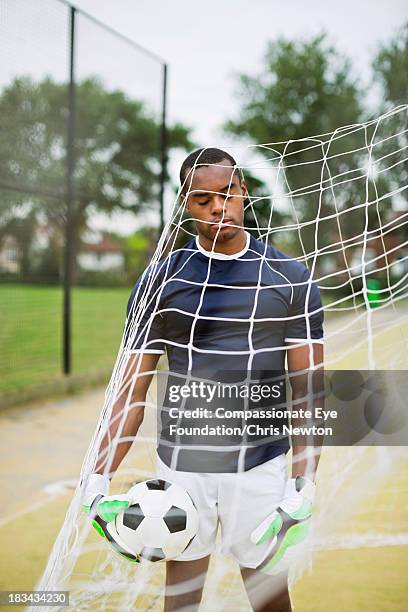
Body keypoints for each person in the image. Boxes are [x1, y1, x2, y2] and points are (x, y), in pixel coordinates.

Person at [83, 148, 324, 611]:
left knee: (272, 601)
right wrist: (96, 481)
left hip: (260, 467)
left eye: (228, 193)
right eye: (203, 199)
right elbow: (131, 391)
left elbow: (309, 390)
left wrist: (303, 486)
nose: (219, 207)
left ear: (244, 191)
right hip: (183, 470)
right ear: (186, 204)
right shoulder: (160, 282)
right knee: (180, 603)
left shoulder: (290, 279)